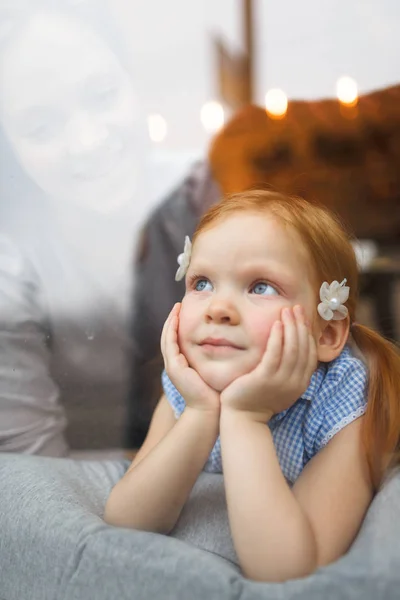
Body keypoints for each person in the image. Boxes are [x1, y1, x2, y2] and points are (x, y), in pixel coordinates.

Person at [105, 190, 400, 582]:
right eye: (203, 283)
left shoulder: (345, 401)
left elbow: (286, 568)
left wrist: (245, 418)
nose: (217, 308)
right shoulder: (188, 384)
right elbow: (127, 519)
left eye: (260, 287)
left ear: (326, 334)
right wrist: (199, 412)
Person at [0, 0, 151, 455]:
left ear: (135, 82)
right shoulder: (11, 267)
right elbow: (33, 483)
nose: (87, 143)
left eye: (102, 94)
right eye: (41, 127)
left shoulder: (212, 198)